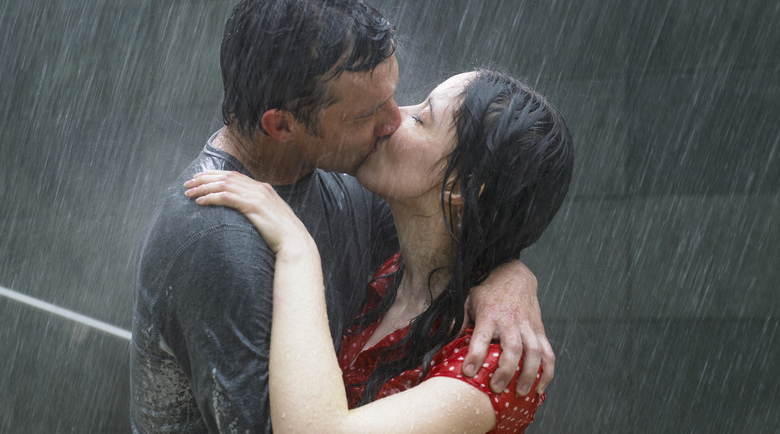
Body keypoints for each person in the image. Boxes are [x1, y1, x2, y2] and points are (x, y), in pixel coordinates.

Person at [131, 0, 554, 432]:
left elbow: (469, 228)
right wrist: (299, 251)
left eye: (403, 104)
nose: (392, 121)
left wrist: (509, 275)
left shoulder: (355, 182)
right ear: (281, 126)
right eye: (370, 113)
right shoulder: (218, 242)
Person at [185, 69, 573, 433]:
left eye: (422, 118)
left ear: (462, 187)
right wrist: (513, 272)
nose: (391, 119)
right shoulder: (388, 265)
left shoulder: (497, 361)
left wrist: (296, 248)